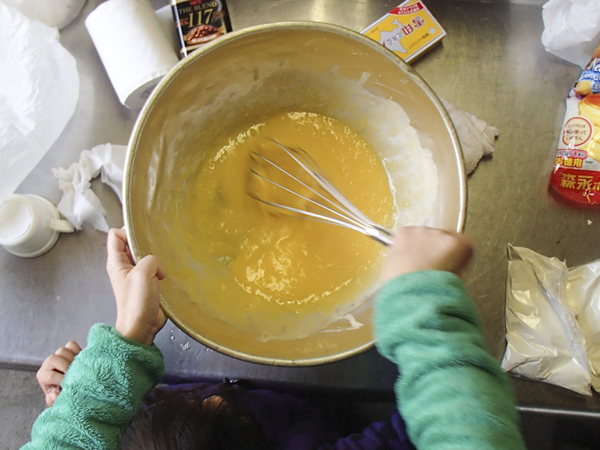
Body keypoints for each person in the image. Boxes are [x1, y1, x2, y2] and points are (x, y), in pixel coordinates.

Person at [22, 227, 527, 449]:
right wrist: (422, 308)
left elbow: (67, 441)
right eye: (217, 409)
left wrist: (85, 392)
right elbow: (457, 433)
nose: (218, 392)